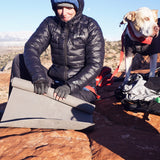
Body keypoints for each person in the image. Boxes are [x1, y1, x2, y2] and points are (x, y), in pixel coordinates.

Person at [9, 0, 105, 103]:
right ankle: (14, 106)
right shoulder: (50, 23)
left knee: (58, 103)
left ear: (77, 8)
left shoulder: (91, 26)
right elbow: (31, 47)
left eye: (69, 8)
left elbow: (95, 64)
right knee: (19, 60)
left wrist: (70, 86)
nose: (64, 13)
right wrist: (38, 76)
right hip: (54, 81)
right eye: (60, 8)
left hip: (81, 87)